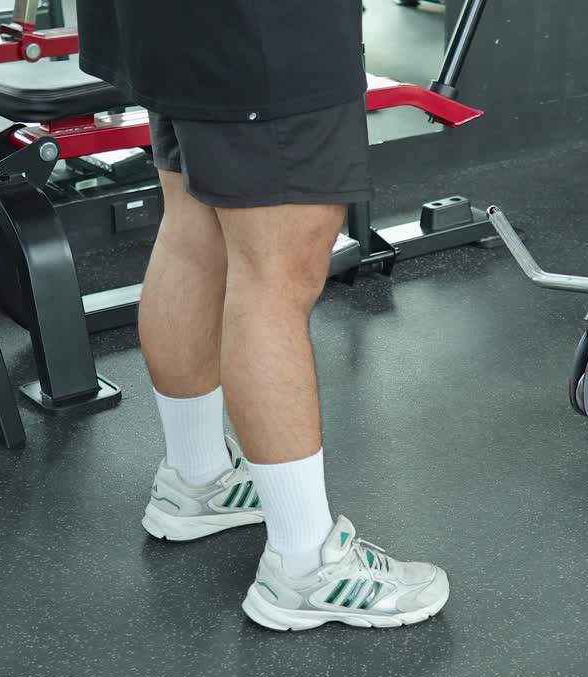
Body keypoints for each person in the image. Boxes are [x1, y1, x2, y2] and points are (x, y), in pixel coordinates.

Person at [75, 0, 449, 631]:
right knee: (274, 279)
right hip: (260, 31)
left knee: (192, 233)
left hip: (167, 24)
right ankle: (305, 568)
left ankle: (197, 480)